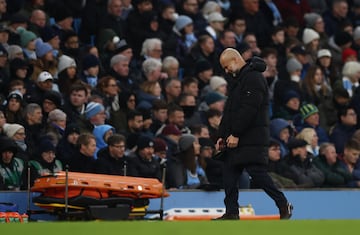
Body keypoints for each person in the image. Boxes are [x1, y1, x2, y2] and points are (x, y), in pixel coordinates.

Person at [215, 48, 292, 220]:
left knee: (258, 174)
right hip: (238, 138)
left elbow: (249, 110)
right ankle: (232, 212)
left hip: (251, 137)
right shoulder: (240, 80)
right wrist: (221, 135)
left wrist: (235, 133)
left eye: (227, 67)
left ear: (235, 60)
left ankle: (282, 203)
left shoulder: (253, 78)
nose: (226, 71)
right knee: (229, 173)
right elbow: (229, 111)